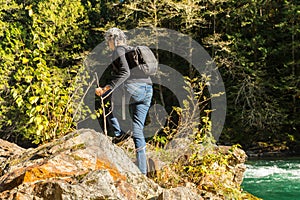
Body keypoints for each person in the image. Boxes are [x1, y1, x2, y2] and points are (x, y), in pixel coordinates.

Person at [95, 27, 153, 175]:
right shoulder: (131, 50)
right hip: (148, 90)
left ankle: (118, 133)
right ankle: (142, 173)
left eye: (108, 41)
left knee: (107, 99)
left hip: (134, 89)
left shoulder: (119, 51)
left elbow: (125, 72)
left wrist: (106, 88)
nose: (108, 44)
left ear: (112, 39)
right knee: (137, 130)